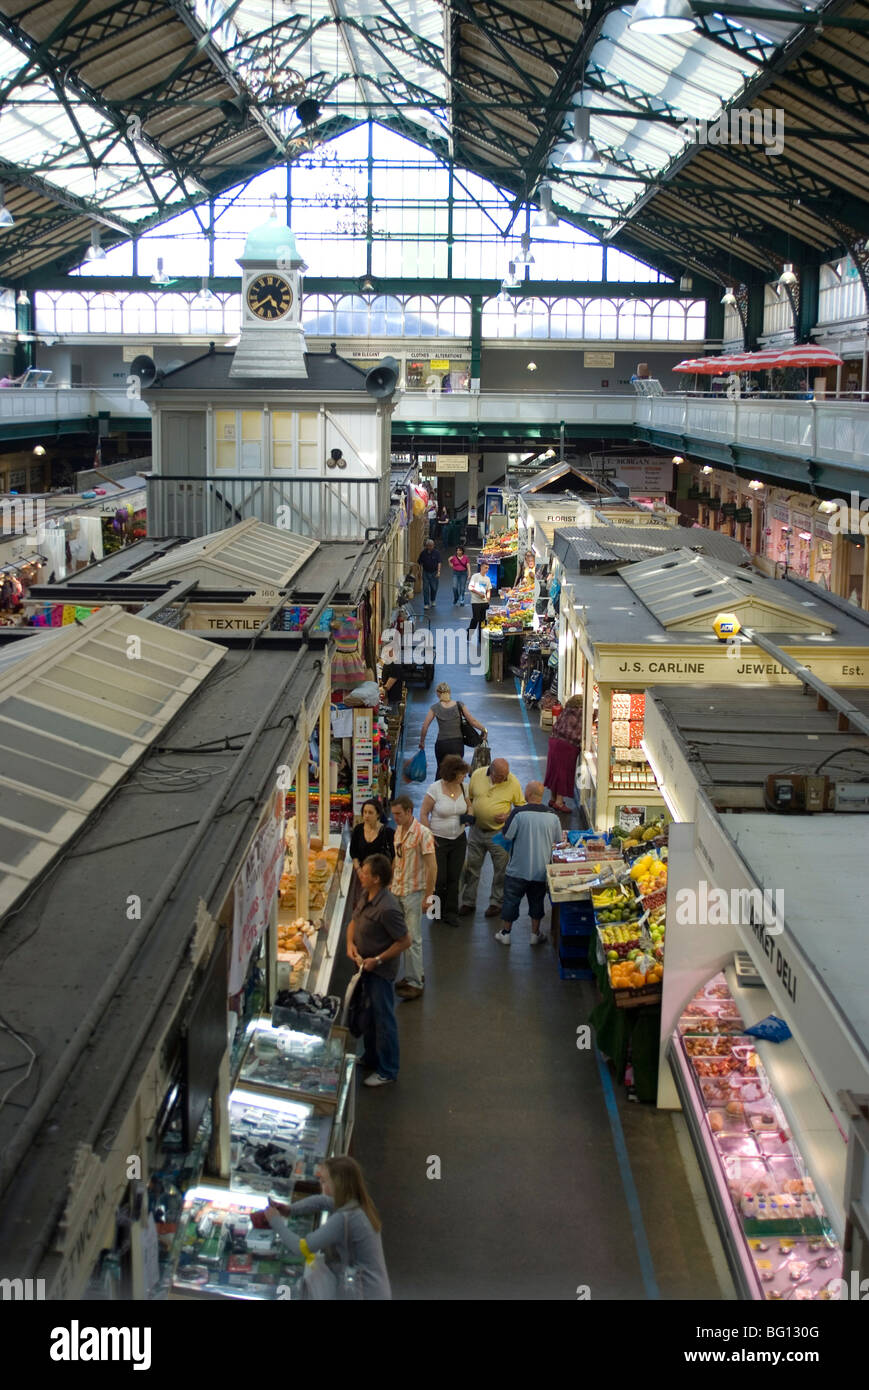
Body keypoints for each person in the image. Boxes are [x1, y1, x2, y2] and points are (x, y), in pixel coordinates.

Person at [265, 1156, 391, 1300]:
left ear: (337, 1184)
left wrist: (275, 1221)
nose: (320, 1184)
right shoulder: (358, 1204)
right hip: (376, 1288)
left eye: (324, 1181)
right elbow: (322, 1201)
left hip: (363, 1293)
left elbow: (302, 1248)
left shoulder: (343, 1219)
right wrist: (290, 1209)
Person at [346, 854, 411, 1087]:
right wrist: (350, 944)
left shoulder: (388, 908)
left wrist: (378, 960)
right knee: (370, 1016)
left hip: (379, 974)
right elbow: (354, 922)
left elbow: (405, 941)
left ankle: (388, 1069)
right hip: (364, 969)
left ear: (376, 878)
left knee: (384, 1019)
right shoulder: (367, 895)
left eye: (364, 871)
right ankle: (371, 1057)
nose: (360, 873)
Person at [494, 781, 562, 947]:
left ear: (529, 794)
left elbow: (508, 836)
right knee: (537, 902)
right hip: (540, 871)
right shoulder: (552, 816)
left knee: (511, 901)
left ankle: (506, 934)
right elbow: (558, 840)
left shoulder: (518, 813)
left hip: (517, 869)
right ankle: (534, 934)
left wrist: (506, 820)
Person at [459, 758, 524, 918]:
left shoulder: (512, 782)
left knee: (500, 870)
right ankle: (468, 902)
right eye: (501, 776)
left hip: (499, 834)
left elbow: (520, 807)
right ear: (492, 772)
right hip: (476, 831)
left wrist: (508, 816)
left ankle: (496, 903)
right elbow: (470, 799)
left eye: (506, 775)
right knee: (473, 867)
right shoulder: (477, 775)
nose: (504, 778)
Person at [390, 795, 437, 1000]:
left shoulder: (423, 834)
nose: (395, 818)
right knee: (404, 937)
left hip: (413, 892)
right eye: (393, 814)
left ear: (409, 811)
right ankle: (413, 974)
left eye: (399, 814)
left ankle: (415, 983)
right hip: (398, 890)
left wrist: (429, 895)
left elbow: (431, 866)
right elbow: (397, 858)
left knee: (413, 938)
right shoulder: (399, 830)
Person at [419, 754, 469, 928]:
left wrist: (469, 817)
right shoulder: (435, 789)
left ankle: (451, 912)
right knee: (439, 878)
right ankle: (436, 911)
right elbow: (424, 813)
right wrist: (429, 835)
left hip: (459, 839)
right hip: (438, 840)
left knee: (454, 877)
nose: (464, 777)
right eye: (461, 774)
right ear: (452, 773)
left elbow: (468, 806)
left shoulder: (464, 788)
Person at [418, 681, 486, 769]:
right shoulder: (459, 705)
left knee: (441, 771)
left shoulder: (434, 708)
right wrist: (483, 729)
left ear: (438, 693)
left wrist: (422, 742)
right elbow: (472, 721)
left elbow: (425, 726)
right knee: (456, 771)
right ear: (449, 692)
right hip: (457, 744)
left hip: (442, 744)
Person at [349, 800, 394, 907]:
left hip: (379, 879)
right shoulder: (358, 830)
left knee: (378, 907)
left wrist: (390, 879)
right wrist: (359, 871)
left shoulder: (388, 832)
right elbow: (353, 853)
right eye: (364, 812)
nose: (366, 816)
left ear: (378, 814)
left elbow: (394, 857)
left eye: (370, 812)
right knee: (360, 905)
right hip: (362, 877)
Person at [544, 694, 584, 813]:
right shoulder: (581, 712)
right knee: (563, 772)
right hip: (567, 745)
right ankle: (559, 802)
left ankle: (552, 799)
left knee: (554, 770)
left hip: (554, 741)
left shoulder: (567, 710)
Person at [467, 560, 492, 643]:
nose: (487, 569)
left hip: (484, 602)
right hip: (475, 601)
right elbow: (470, 588)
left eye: (488, 568)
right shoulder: (475, 576)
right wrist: (479, 593)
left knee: (483, 620)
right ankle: (470, 632)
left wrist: (488, 600)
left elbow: (488, 590)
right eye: (485, 568)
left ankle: (481, 637)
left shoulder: (487, 579)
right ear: (481, 567)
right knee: (476, 618)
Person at [417, 538, 441, 610]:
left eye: (431, 545)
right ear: (426, 546)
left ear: (433, 545)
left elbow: (439, 562)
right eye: (428, 545)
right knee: (425, 588)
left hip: (434, 573)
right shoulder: (423, 553)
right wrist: (419, 572)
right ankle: (426, 604)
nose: (430, 547)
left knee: (434, 588)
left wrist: (439, 571)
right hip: (426, 573)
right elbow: (420, 563)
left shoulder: (436, 553)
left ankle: (433, 600)